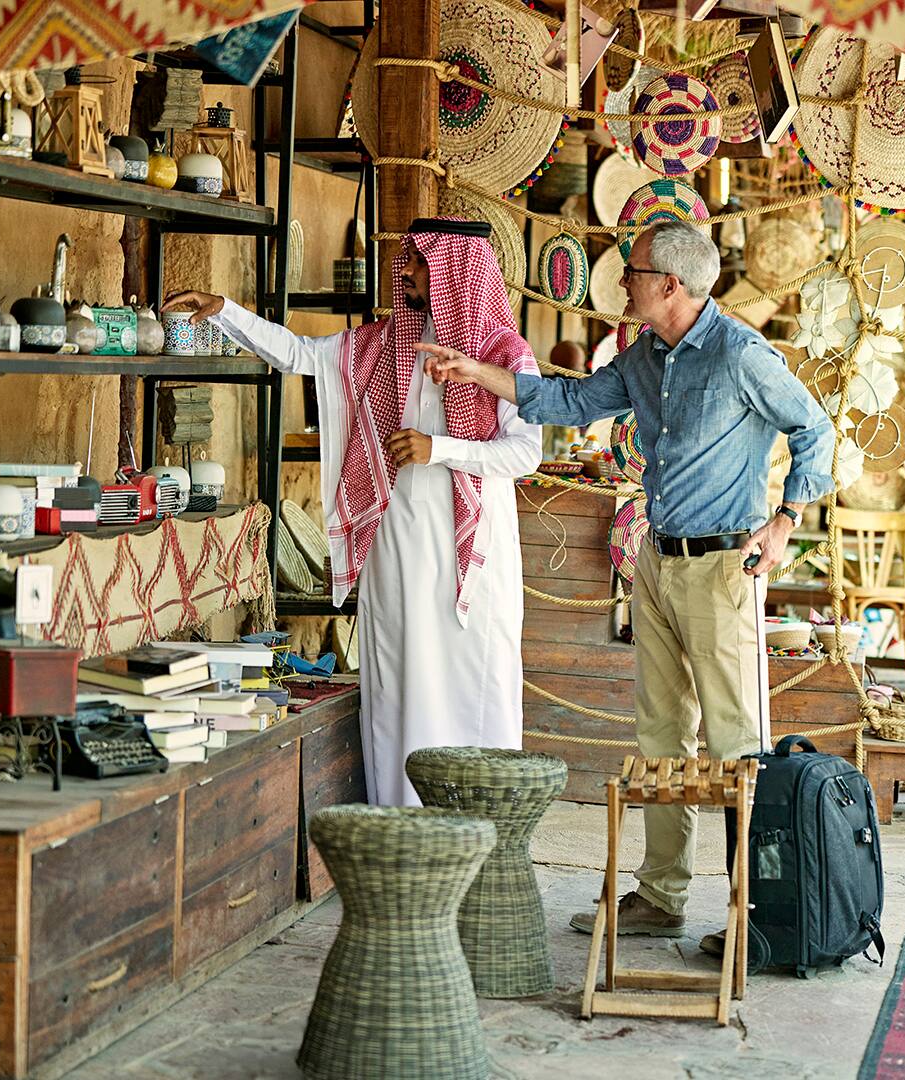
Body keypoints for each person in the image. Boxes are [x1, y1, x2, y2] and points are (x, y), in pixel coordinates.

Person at [420, 220, 835, 953]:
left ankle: (758, 915)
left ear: (670, 285)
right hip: (657, 563)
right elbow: (571, 403)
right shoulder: (643, 357)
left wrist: (786, 520)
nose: (622, 282)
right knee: (660, 736)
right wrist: (475, 371)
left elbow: (815, 430)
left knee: (737, 746)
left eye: (633, 271)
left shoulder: (741, 354)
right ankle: (662, 896)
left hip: (723, 569)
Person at [162, 218, 543, 806]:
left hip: (473, 550)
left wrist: (438, 448)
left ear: (455, 271)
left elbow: (525, 452)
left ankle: (480, 825)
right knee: (399, 677)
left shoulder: (504, 355)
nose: (409, 273)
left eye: (421, 263)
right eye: (409, 261)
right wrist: (224, 311)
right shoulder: (381, 347)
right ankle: (401, 819)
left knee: (469, 680)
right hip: (398, 539)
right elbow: (298, 354)